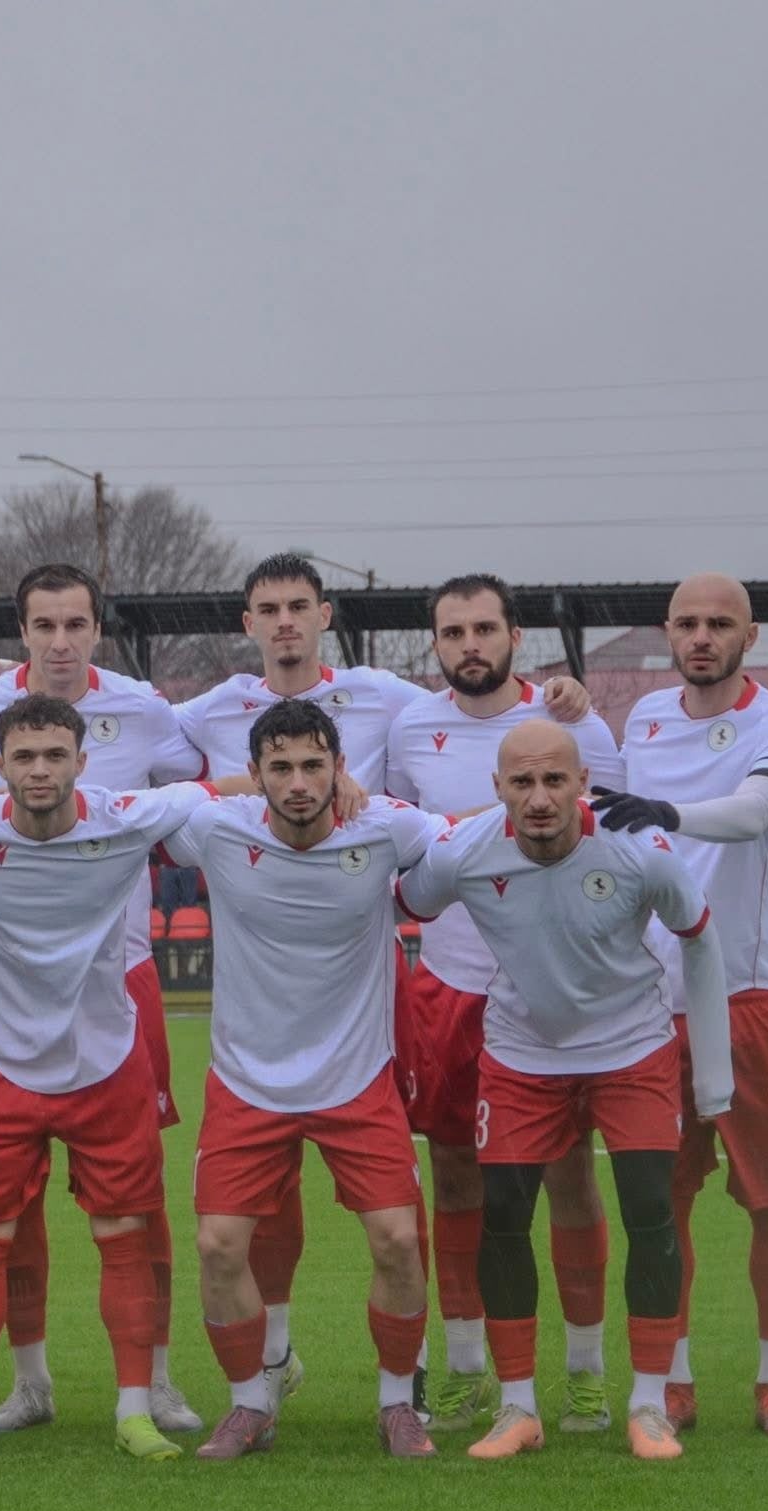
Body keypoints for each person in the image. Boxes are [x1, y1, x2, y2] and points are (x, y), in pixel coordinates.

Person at [170, 552, 590, 1405]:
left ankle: (431, 1371)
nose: (284, 621)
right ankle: (274, 1359)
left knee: (430, 1190)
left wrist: (555, 694)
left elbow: (475, 712)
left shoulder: (386, 700)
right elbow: (122, 757)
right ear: (246, 623)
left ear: (325, 615)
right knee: (260, 1198)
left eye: (299, 605)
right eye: (267, 608)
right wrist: (269, 782)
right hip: (261, 983)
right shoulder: (207, 711)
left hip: (368, 980)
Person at [399, 721, 733, 1462]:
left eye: (556, 780)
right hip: (521, 1055)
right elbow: (399, 901)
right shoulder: (466, 850)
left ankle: (648, 1405)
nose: (540, 798)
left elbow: (700, 935)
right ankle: (518, 1407)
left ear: (583, 781)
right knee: (504, 1219)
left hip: (632, 1051)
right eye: (522, 782)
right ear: (497, 790)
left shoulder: (638, 849)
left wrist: (713, 1074)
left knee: (652, 1212)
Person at [0, 692, 217, 1466]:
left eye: (55, 755)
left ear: (82, 761)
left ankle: (135, 1411)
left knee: (123, 1239)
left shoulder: (125, 816)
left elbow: (220, 791)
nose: (39, 769)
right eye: (24, 756)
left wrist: (341, 787)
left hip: (106, 1065)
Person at [173, 701, 444, 1462]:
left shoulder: (389, 827)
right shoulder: (217, 828)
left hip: (357, 1078)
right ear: (256, 775)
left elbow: (482, 829)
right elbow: (104, 806)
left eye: (314, 765)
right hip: (246, 1081)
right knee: (218, 1246)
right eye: (281, 767)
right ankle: (251, 1403)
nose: (298, 783)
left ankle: (399, 1403)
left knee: (397, 1238)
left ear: (340, 768)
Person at [381, 574, 616, 1437]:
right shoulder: (410, 726)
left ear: (515, 635)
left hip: (554, 987)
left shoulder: (574, 721)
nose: (469, 644)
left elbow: (612, 837)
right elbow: (403, 843)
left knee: (570, 1175)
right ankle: (468, 1368)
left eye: (485, 627)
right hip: (449, 984)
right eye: (452, 632)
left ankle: (586, 1374)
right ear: (436, 644)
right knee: (454, 1174)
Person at [593, 571, 768, 1442]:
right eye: (687, 622)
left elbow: (757, 809)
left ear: (748, 636)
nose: (701, 636)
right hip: (652, 1002)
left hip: (751, 993)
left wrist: (668, 811)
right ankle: (672, 1379)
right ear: (666, 630)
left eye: (719, 623)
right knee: (660, 1203)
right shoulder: (642, 718)